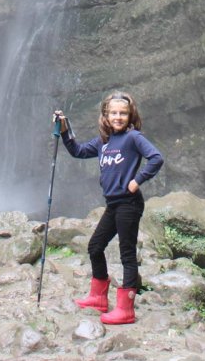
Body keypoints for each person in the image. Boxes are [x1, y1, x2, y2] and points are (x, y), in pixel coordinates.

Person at [53, 91, 163, 325]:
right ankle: (98, 297)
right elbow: (78, 151)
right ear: (105, 115)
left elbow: (156, 158)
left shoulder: (134, 138)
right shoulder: (104, 141)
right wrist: (65, 130)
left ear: (130, 115)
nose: (118, 117)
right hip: (113, 204)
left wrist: (137, 180)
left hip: (129, 204)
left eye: (123, 113)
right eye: (113, 113)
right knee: (95, 246)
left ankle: (126, 308)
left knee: (127, 254)